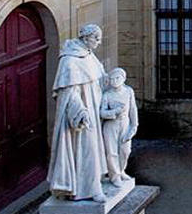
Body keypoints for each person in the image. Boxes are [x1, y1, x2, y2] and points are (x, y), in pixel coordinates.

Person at [47, 24, 108, 202]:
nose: (98, 42)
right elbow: (68, 92)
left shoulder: (88, 54)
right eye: (95, 38)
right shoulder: (70, 60)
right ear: (85, 38)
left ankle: (96, 182)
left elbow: (100, 77)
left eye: (99, 38)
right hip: (83, 114)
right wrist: (79, 111)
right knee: (86, 149)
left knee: (95, 148)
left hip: (95, 109)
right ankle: (88, 189)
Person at [100, 68, 137, 186]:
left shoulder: (128, 91)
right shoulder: (107, 95)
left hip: (125, 124)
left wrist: (134, 126)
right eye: (111, 79)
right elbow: (102, 113)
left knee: (125, 150)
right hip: (111, 126)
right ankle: (114, 175)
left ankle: (121, 170)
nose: (114, 81)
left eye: (117, 78)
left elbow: (133, 109)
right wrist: (114, 112)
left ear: (123, 79)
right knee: (111, 152)